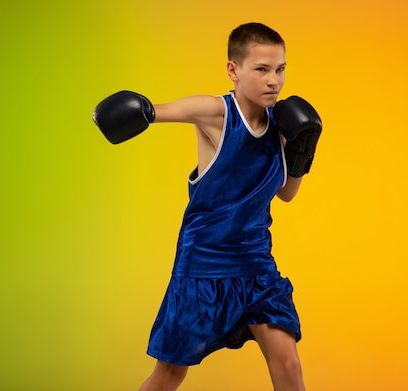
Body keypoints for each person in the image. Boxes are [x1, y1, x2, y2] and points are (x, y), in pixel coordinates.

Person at [92, 22, 322, 391]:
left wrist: (302, 152)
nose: (273, 81)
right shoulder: (217, 114)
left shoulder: (284, 124)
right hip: (203, 266)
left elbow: (287, 193)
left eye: (280, 69)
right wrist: (145, 111)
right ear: (234, 70)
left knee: (287, 361)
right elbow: (164, 111)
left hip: (257, 266)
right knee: (170, 374)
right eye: (261, 69)